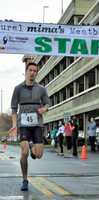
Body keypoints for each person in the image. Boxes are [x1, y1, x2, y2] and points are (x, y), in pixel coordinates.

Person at [10, 62, 50, 191]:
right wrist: (14, 125)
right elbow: (14, 109)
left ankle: (33, 146)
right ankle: (25, 179)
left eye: (35, 71)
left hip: (37, 123)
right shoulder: (18, 89)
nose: (32, 73)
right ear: (26, 71)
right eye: (30, 70)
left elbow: (47, 104)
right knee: (24, 152)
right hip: (24, 124)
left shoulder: (41, 89)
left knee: (38, 155)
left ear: (37, 73)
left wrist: (44, 109)